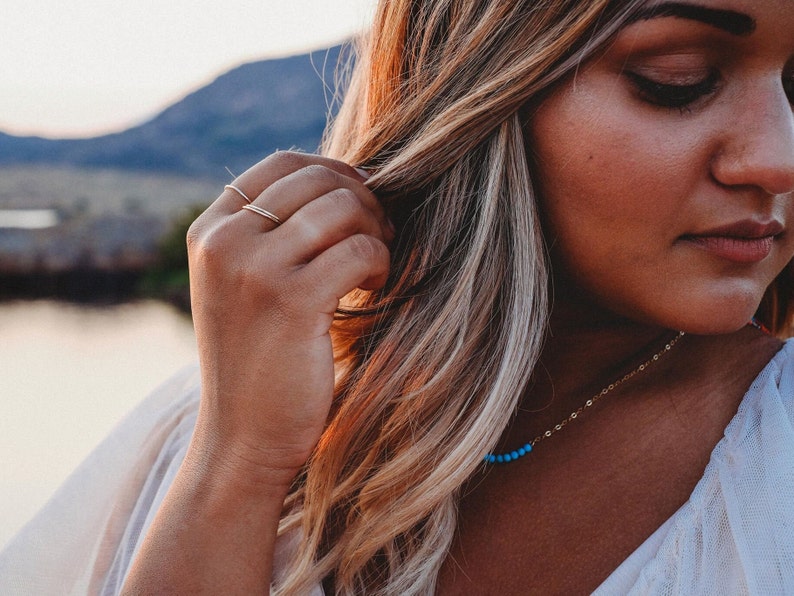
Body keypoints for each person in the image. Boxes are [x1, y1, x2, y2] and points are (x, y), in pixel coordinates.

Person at [2, 0, 794, 593]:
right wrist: (238, 465)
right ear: (480, 95)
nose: (776, 158)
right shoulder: (237, 411)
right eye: (677, 81)